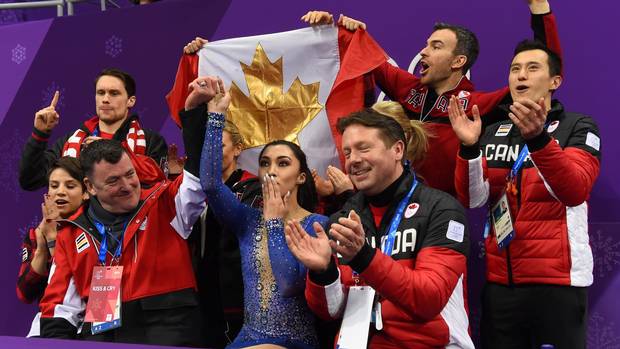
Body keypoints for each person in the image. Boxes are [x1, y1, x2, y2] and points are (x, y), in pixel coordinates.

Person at [302, 0, 560, 196]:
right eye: (426, 45)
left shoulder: (475, 105)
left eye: (436, 47)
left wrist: (540, 9)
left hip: (436, 214)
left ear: (458, 61)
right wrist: (332, 30)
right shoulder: (409, 88)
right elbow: (367, 57)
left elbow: (543, 70)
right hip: (389, 206)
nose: (423, 52)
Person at [449, 39, 600, 348]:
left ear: (555, 81)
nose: (521, 76)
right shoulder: (494, 130)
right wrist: (469, 148)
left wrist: (539, 140)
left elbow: (574, 190)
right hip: (501, 284)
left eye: (532, 68)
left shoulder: (579, 127)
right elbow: (473, 199)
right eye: (515, 69)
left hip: (557, 283)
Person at [285, 109, 473, 348]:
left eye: (363, 148)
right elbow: (331, 311)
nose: (353, 160)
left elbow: (429, 299)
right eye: (347, 152)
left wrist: (364, 256)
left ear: (397, 150)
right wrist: (324, 273)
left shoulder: (441, 209)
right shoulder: (343, 219)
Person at [195, 76, 326, 348]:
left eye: (283, 163)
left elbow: (289, 283)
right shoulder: (248, 221)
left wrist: (275, 223)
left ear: (301, 177)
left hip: (294, 341)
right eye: (265, 163)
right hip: (249, 338)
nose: (272, 170)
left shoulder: (317, 225)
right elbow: (210, 183)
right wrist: (216, 116)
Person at [39, 136, 206, 345]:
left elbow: (198, 179)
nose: (127, 185)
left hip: (169, 328)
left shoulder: (165, 202)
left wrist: (194, 116)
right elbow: (59, 308)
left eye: (130, 174)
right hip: (103, 329)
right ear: (90, 186)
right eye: (113, 181)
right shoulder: (71, 233)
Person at [19, 68, 167, 191]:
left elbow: (158, 186)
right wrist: (40, 134)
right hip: (80, 225)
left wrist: (109, 152)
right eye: (100, 93)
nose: (105, 99)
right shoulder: (71, 141)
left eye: (114, 93)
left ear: (131, 100)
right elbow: (30, 179)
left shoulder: (151, 141)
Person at [187, 119, 254, 347]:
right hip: (202, 293)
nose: (212, 153)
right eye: (208, 146)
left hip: (237, 294)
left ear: (238, 148)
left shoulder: (252, 188)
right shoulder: (195, 192)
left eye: (220, 146)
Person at [17, 157, 88, 337]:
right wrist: (42, 248)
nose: (60, 192)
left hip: (84, 328)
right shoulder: (36, 233)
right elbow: (25, 294)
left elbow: (81, 279)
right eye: (54, 186)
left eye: (70, 186)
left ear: (86, 192)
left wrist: (53, 241)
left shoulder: (93, 229)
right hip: (45, 326)